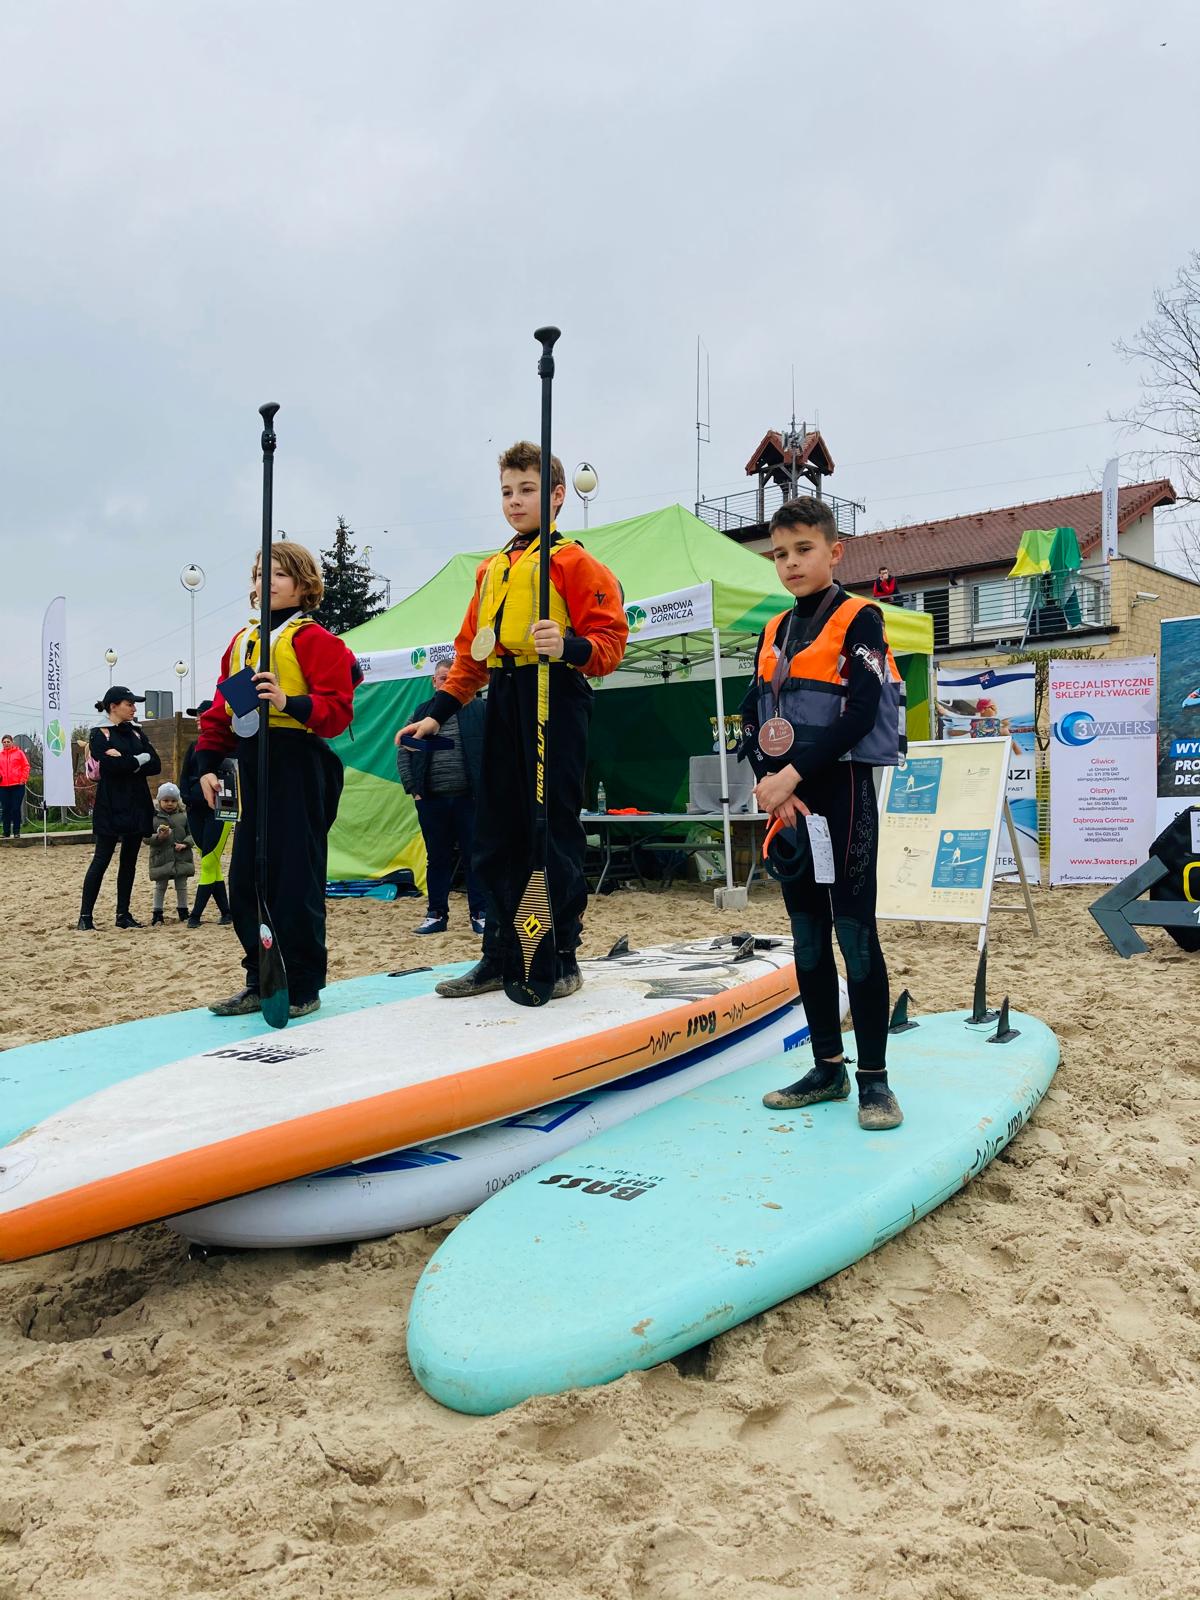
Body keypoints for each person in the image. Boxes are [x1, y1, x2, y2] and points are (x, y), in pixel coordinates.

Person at [399, 440, 628, 1000]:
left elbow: (610, 644)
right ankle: (499, 955)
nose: (515, 501)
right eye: (507, 492)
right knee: (495, 833)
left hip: (555, 694)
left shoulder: (574, 562)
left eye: (528, 490)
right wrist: (437, 716)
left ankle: (561, 953)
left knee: (551, 830)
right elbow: (469, 657)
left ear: (557, 495)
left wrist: (568, 644)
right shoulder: (491, 569)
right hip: (502, 697)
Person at [739, 498, 906, 1131]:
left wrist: (793, 776)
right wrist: (770, 783)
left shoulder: (861, 617)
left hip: (843, 795)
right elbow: (752, 716)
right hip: (790, 804)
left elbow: (861, 712)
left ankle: (874, 1081)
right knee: (807, 938)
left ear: (834, 552)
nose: (790, 563)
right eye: (779, 554)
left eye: (803, 550)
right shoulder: (773, 630)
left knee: (854, 936)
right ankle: (827, 1069)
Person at [194, 542, 358, 1019]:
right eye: (260, 574)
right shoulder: (241, 643)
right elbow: (219, 713)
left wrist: (288, 701)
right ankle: (260, 977)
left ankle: (303, 983)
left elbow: (337, 712)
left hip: (298, 764)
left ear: (304, 585)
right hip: (251, 765)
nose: (266, 582)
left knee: (294, 881)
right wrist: (206, 765)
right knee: (246, 879)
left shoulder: (317, 641)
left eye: (279, 574)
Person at [394, 660, 486, 935]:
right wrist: (413, 788)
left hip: (471, 798)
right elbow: (403, 750)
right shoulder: (421, 713)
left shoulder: (479, 709)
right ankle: (436, 915)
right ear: (433, 682)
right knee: (437, 858)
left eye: (451, 677)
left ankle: (480, 914)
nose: (446, 682)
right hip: (431, 799)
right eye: (442, 678)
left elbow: (496, 749)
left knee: (475, 857)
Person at [77, 688, 162, 930]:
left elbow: (155, 764)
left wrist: (127, 760)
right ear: (113, 706)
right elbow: (109, 766)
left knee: (129, 861)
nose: (134, 708)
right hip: (111, 803)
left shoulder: (136, 731)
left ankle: (123, 914)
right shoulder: (99, 733)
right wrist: (138, 759)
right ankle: (85, 917)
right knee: (101, 859)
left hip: (136, 802)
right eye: (129, 704)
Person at [179, 701, 234, 928]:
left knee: (209, 861)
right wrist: (188, 798)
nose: (198, 718)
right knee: (210, 862)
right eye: (197, 715)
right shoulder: (193, 747)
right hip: (195, 810)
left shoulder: (228, 746)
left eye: (202, 714)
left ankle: (195, 915)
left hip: (220, 810)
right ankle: (226, 912)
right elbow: (184, 776)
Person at [145, 782, 196, 924]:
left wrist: (185, 843)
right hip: (161, 858)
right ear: (159, 800)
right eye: (166, 800)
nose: (169, 804)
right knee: (160, 886)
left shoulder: (184, 817)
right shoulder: (154, 818)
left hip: (182, 857)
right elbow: (146, 837)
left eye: (173, 801)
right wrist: (158, 837)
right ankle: (157, 913)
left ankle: (183, 910)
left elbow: (192, 834)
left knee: (182, 885)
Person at [0, 734, 30, 839]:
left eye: (8, 742)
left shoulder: (19, 753)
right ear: (2, 743)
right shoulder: (0, 755)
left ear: (12, 742)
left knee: (15, 808)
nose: (6, 744)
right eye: (4, 742)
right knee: (5, 809)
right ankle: (6, 832)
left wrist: (23, 779)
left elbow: (26, 766)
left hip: (17, 785)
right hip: (3, 786)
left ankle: (16, 831)